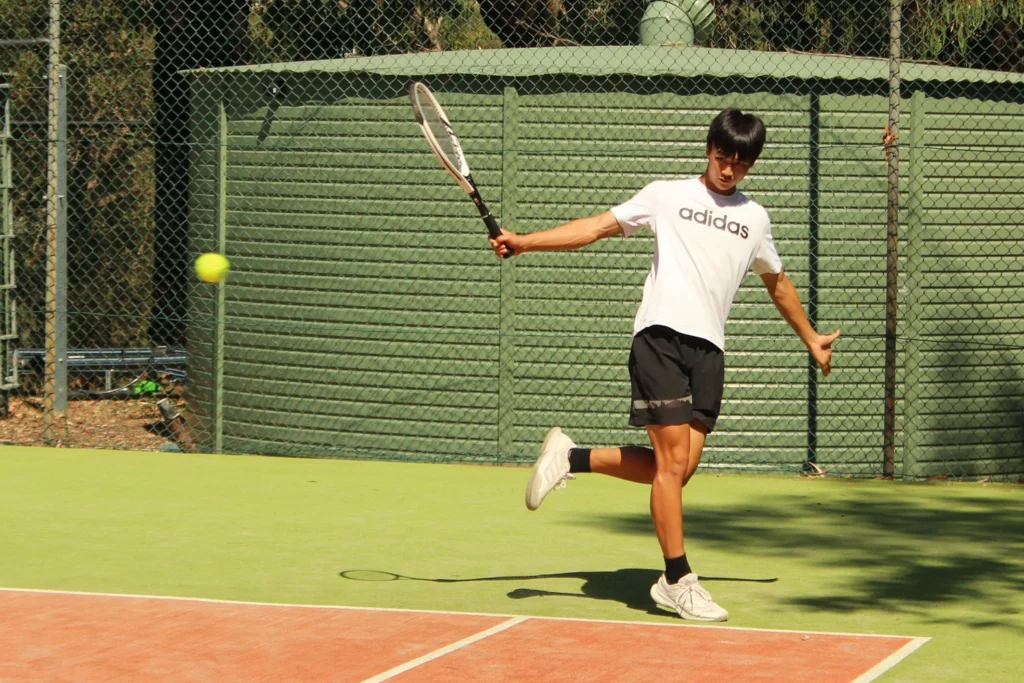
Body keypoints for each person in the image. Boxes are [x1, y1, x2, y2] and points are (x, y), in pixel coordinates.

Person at [489, 108, 840, 622]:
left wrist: (810, 337)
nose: (729, 170)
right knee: (673, 465)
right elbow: (595, 228)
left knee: (676, 470)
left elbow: (778, 283)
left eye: (741, 163)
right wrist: (525, 241)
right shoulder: (666, 195)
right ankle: (677, 578)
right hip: (660, 337)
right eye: (723, 157)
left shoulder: (755, 218)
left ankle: (572, 457)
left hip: (709, 351)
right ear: (708, 149)